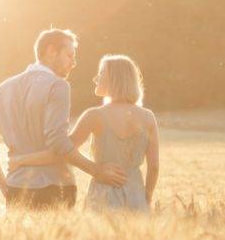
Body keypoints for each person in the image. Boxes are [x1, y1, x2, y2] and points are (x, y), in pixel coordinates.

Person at [0, 29, 129, 209]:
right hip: (54, 188)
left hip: (16, 187)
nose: (74, 63)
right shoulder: (58, 85)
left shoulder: (5, 87)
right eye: (69, 55)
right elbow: (58, 142)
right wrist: (95, 170)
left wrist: (5, 187)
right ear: (50, 52)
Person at [8, 53, 158, 212]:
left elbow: (63, 152)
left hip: (103, 197)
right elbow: (154, 167)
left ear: (114, 79)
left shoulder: (95, 116)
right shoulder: (148, 117)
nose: (96, 78)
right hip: (137, 196)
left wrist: (22, 159)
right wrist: (146, 197)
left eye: (101, 73)